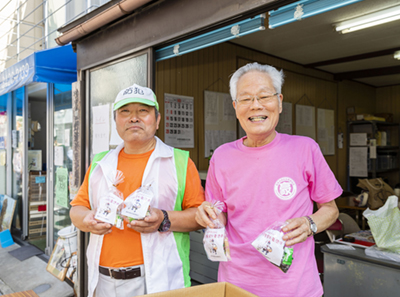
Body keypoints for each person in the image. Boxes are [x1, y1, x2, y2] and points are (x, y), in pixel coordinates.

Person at [195, 63, 342, 297]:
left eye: (264, 96)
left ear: (280, 101)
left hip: (295, 286)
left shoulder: (305, 148)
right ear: (235, 107)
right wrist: (209, 214)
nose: (256, 105)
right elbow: (219, 211)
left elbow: (331, 209)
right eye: (245, 99)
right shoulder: (221, 156)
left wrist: (309, 224)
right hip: (235, 283)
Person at [70, 84, 204, 297]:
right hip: (102, 280)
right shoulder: (100, 163)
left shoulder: (180, 161)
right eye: (125, 112)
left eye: (143, 111)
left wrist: (163, 218)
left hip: (159, 281)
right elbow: (77, 208)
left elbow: (198, 217)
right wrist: (86, 219)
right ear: (116, 121)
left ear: (157, 120)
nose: (134, 118)